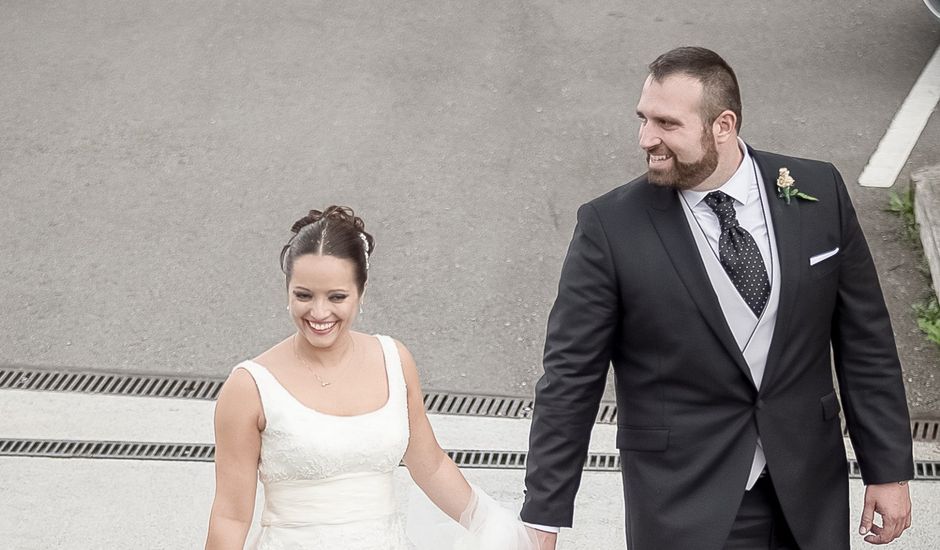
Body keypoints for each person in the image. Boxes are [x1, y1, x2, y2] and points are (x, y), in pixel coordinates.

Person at [521, 47, 914, 550]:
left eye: (667, 123)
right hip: (684, 503)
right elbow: (570, 378)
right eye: (643, 120)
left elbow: (867, 343)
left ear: (723, 125)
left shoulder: (819, 191)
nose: (647, 139)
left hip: (808, 494)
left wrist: (888, 471)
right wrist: (543, 516)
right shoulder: (609, 227)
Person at [205, 206, 536, 549]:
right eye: (303, 295)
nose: (319, 312)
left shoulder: (394, 360)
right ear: (287, 290)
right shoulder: (249, 387)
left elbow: (431, 465)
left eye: (337, 297)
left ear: (361, 293)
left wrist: (493, 524)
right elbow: (231, 515)